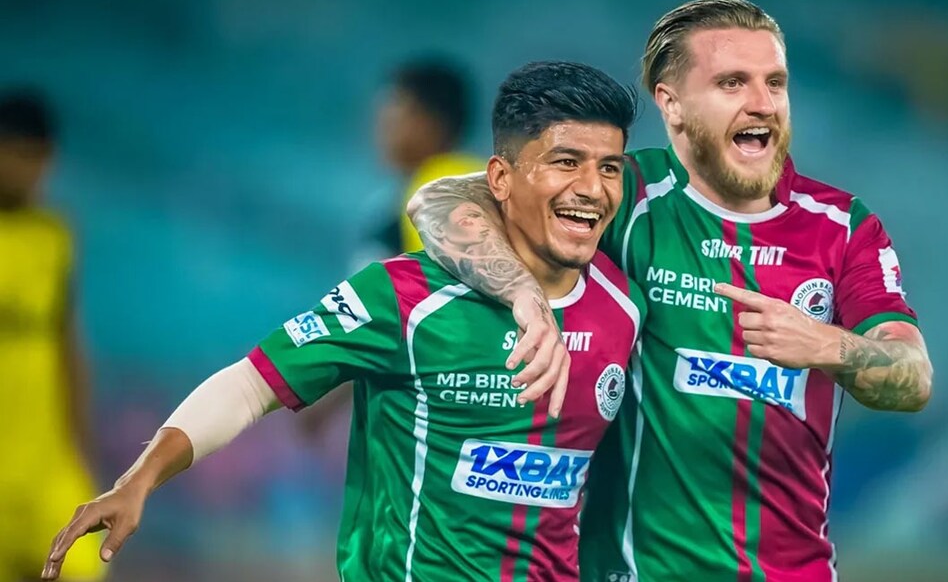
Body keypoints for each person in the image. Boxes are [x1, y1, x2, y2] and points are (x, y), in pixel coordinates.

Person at [42, 61, 643, 582]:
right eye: (567, 162)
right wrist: (141, 478)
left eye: (610, 168)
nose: (592, 188)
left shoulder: (624, 306)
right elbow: (250, 384)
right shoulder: (403, 297)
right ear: (500, 179)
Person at [406, 1, 935, 580]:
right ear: (672, 104)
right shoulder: (625, 193)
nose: (762, 102)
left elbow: (912, 376)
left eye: (775, 83)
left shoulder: (842, 227)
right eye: (732, 82)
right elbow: (438, 202)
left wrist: (829, 347)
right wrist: (520, 293)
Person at [0, 90, 105, 582]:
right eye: (16, 153)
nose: (26, 169)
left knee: (85, 567)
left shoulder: (55, 236)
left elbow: (69, 346)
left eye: (37, 156)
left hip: (47, 467)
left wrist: (83, 452)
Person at [357, 57, 484, 264]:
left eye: (394, 120)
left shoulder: (444, 189)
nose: (382, 132)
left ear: (433, 123)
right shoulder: (392, 205)